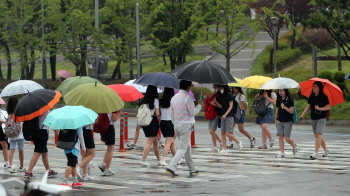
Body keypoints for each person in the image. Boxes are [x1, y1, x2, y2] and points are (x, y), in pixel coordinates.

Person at [166, 80, 203, 177]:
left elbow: (171, 113)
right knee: (183, 148)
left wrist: (175, 123)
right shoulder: (188, 98)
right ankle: (171, 166)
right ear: (188, 87)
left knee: (187, 148)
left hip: (177, 124)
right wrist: (199, 106)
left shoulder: (174, 98)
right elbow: (192, 112)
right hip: (186, 125)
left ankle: (192, 169)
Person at [300, 81, 330, 159]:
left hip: (322, 117)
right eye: (313, 86)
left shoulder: (324, 97)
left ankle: (315, 153)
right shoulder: (311, 97)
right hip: (313, 117)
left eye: (316, 86)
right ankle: (326, 150)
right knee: (318, 136)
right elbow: (308, 107)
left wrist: (319, 108)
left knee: (318, 135)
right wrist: (303, 114)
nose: (314, 88)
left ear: (319, 88)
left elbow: (328, 107)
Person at [24, 110, 57, 180]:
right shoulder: (45, 110)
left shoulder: (33, 110)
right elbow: (51, 122)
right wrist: (56, 132)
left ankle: (48, 171)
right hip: (42, 132)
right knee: (37, 152)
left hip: (35, 132)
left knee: (44, 152)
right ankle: (28, 172)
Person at [213, 85, 243, 154]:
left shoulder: (230, 95)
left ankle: (238, 142)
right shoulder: (222, 96)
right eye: (220, 88)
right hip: (222, 116)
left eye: (222, 88)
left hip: (229, 116)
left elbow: (231, 106)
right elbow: (221, 106)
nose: (221, 89)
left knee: (227, 133)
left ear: (225, 88)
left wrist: (225, 114)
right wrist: (215, 103)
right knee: (222, 132)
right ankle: (224, 148)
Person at [140, 85, 161, 166]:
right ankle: (143, 159)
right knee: (149, 142)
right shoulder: (155, 100)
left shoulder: (144, 99)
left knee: (155, 142)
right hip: (152, 121)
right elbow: (158, 114)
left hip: (145, 121)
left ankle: (159, 159)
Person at [97, 110, 122, 175]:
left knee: (109, 148)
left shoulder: (101, 106)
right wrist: (119, 113)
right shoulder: (112, 107)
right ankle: (107, 169)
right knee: (111, 148)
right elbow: (114, 119)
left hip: (103, 127)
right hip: (109, 128)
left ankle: (104, 163)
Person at [275, 89, 297, 158]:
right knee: (280, 137)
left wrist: (284, 107)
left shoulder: (290, 100)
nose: (280, 92)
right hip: (280, 120)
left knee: (287, 138)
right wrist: (276, 120)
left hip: (288, 121)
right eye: (279, 91)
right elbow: (277, 110)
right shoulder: (278, 100)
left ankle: (294, 146)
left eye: (282, 91)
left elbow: (291, 111)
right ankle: (282, 153)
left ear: (285, 91)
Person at [6, 96, 26, 172]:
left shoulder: (9, 111)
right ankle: (21, 166)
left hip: (11, 133)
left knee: (12, 149)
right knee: (21, 150)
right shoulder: (19, 110)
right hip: (19, 133)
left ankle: (10, 165)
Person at [159, 88, 177, 166]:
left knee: (172, 142)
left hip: (163, 122)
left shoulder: (161, 101)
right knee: (168, 143)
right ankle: (162, 160)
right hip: (170, 123)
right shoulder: (173, 102)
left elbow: (159, 113)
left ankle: (177, 158)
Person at [204, 84, 223, 153]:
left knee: (211, 131)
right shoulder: (213, 94)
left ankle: (222, 143)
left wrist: (215, 103)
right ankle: (215, 147)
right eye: (213, 86)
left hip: (216, 114)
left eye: (215, 86)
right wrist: (208, 98)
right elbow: (209, 103)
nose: (214, 87)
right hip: (210, 113)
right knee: (212, 132)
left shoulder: (220, 95)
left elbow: (221, 106)